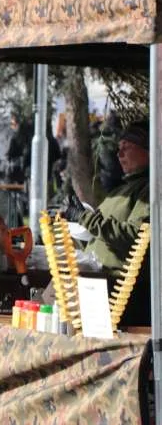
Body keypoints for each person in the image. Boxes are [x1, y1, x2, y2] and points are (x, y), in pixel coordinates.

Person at [62, 119, 150, 326]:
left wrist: (84, 218)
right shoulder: (120, 191)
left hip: (121, 291)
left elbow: (134, 238)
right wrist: (74, 231)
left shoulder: (149, 190)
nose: (119, 155)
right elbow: (100, 238)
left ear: (149, 150)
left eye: (127, 148)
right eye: (119, 148)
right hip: (95, 282)